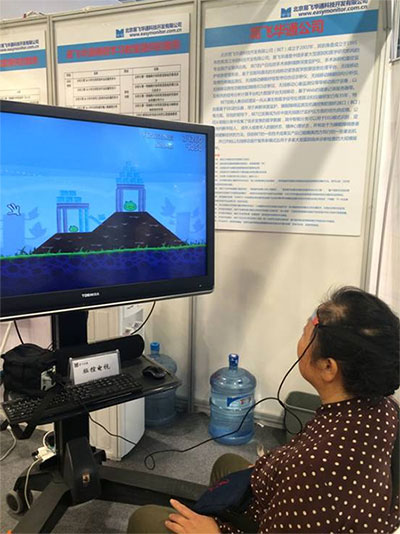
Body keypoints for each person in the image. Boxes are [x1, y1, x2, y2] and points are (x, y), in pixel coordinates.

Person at [127, 287, 400, 534]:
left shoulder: (314, 468)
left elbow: (311, 466)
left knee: (146, 520)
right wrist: (275, 464)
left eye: (306, 333)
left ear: (328, 367)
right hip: (331, 511)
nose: (301, 337)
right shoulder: (384, 409)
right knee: (227, 464)